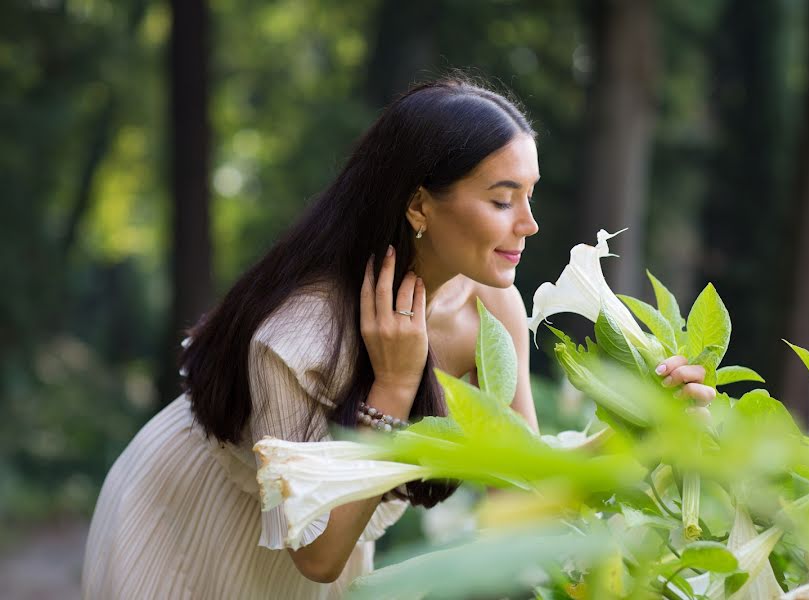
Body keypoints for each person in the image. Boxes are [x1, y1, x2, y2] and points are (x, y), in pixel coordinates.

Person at [81, 76, 715, 599]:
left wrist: (640, 428)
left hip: (316, 547)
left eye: (529, 195)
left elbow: (520, 484)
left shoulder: (490, 303)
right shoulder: (299, 336)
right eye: (502, 200)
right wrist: (393, 384)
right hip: (185, 516)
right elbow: (319, 555)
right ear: (419, 206)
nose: (529, 222)